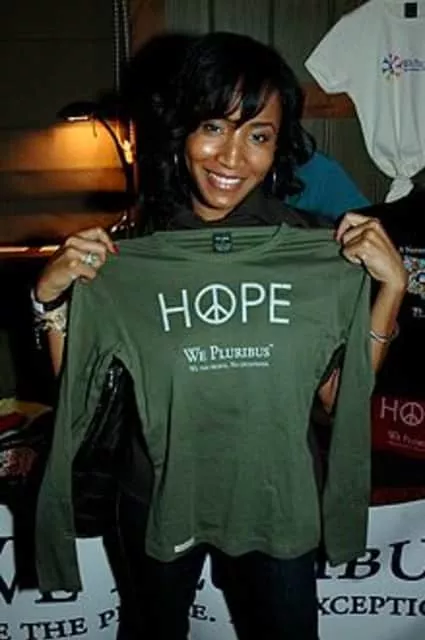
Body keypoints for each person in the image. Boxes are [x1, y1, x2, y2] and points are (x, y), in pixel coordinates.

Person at [32, 32, 407, 640]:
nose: (232, 157)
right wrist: (49, 301)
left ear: (278, 146)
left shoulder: (314, 250)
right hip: (157, 494)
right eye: (213, 127)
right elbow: (86, 392)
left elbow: (339, 400)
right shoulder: (134, 252)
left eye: (258, 135)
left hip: (277, 498)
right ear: (180, 129)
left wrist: (390, 292)